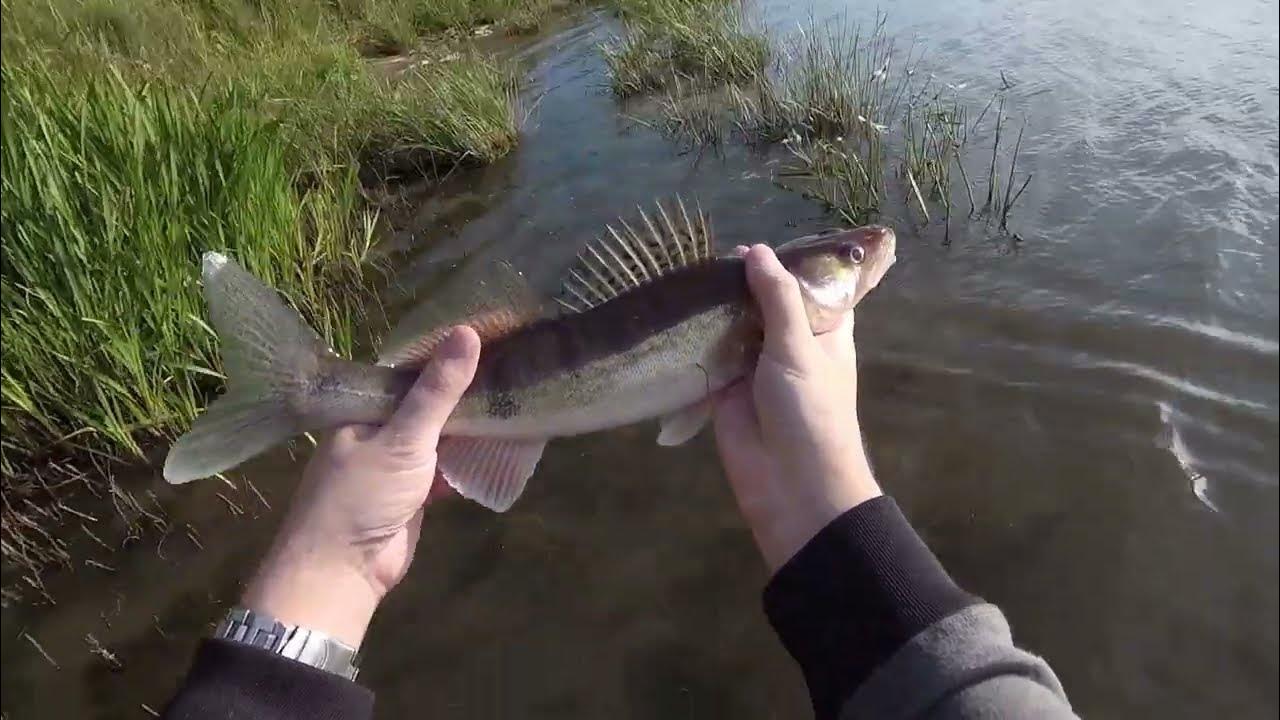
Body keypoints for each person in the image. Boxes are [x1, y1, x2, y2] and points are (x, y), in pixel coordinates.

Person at [162, 245, 1076, 720]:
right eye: (841, 258)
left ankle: (312, 394)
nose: (865, 253)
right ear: (787, 291)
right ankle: (303, 386)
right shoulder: (754, 328)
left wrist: (330, 563)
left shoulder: (744, 336)